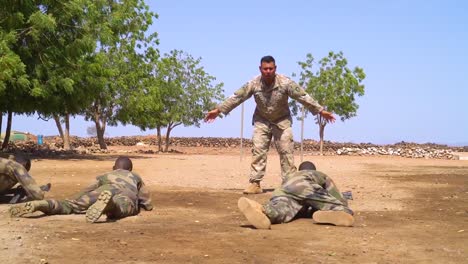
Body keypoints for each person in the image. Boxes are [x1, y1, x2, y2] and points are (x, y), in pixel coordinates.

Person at [205, 55, 336, 194]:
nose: (268, 71)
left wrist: (320, 110)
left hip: (282, 121)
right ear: (260, 69)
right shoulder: (254, 83)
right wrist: (219, 110)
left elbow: (303, 96)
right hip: (262, 121)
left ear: (275, 68)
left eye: (270, 68)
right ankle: (255, 183)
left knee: (286, 152)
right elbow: (237, 97)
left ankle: (289, 185)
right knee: (258, 150)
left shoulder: (285, 82)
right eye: (265, 69)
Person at [9, 156, 153, 223]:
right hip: (126, 193)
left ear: (114, 168)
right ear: (130, 169)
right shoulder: (135, 176)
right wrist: (145, 206)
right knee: (122, 208)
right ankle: (111, 206)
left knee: (70, 205)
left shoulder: (105, 175)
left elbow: (87, 189)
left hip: (104, 189)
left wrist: (74, 200)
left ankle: (45, 205)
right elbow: (146, 200)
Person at [237, 161, 354, 229]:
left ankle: (263, 210)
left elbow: (297, 197)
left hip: (283, 191)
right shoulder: (318, 174)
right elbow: (335, 195)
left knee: (282, 209)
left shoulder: (290, 176)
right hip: (305, 187)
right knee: (342, 208)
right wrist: (341, 202)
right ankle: (336, 212)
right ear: (313, 169)